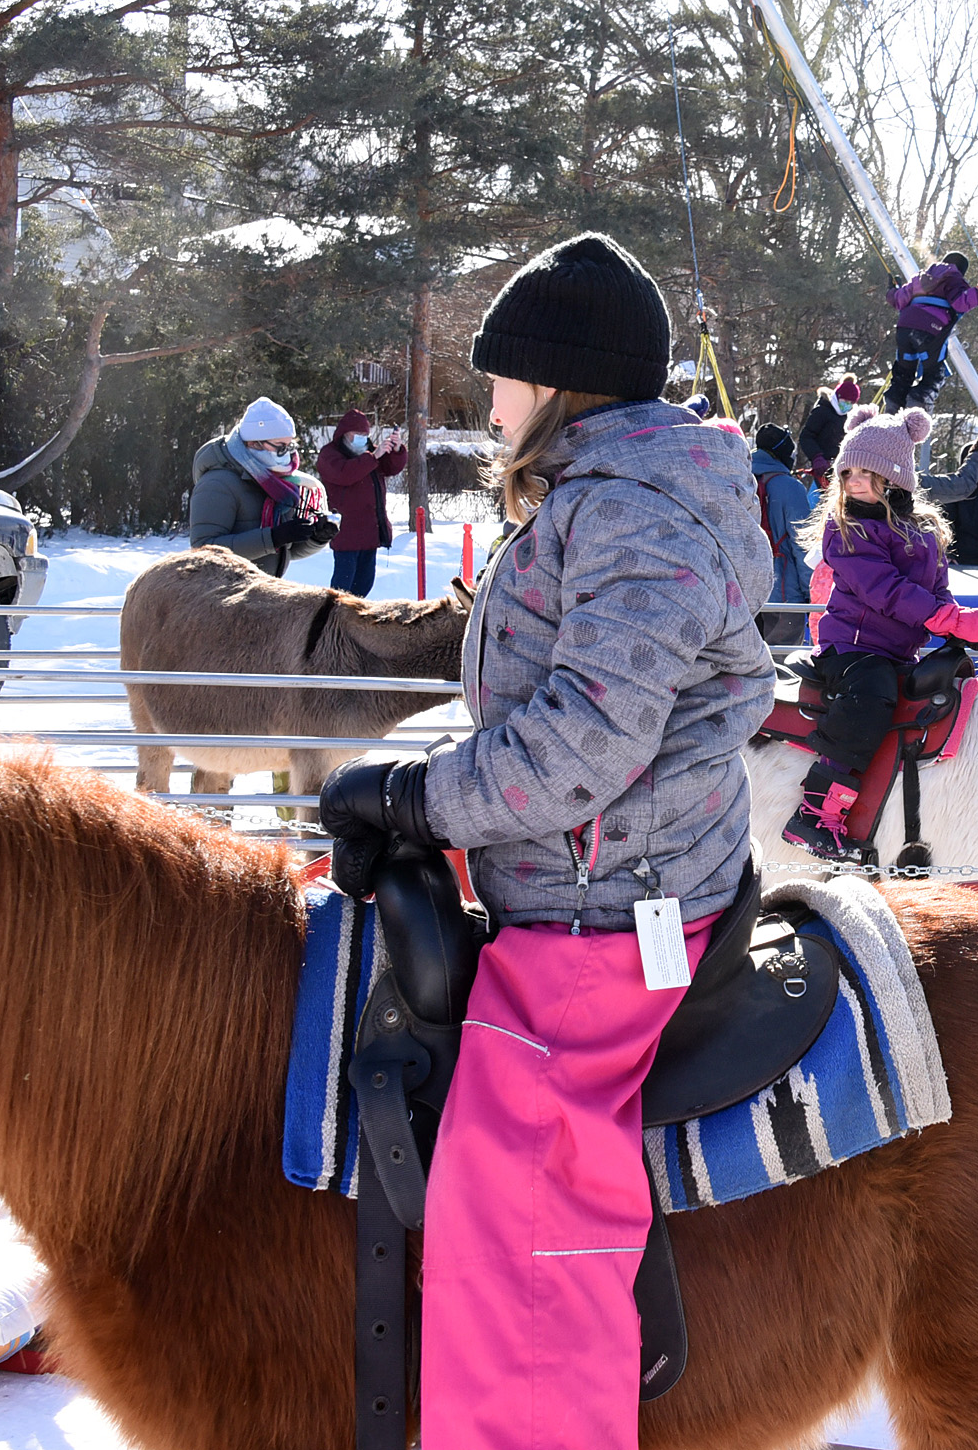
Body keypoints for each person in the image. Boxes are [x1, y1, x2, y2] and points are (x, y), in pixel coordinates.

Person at [312, 232, 774, 1450]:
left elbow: (584, 745)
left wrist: (414, 801)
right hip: (588, 876)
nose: (493, 404)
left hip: (611, 914)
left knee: (513, 1202)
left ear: (560, 383)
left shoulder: (636, 517)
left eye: (504, 379)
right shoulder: (601, 500)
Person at [782, 406, 978, 857]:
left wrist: (960, 629)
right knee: (873, 693)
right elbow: (886, 591)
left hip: (898, 650)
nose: (855, 481)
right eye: (849, 472)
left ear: (896, 478)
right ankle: (816, 811)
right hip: (853, 648)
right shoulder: (846, 530)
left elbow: (936, 590)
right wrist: (953, 621)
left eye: (868, 472)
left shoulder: (922, 532)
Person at [187, 396, 335, 577]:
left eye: (290, 446)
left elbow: (283, 551)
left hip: (262, 593)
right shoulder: (217, 484)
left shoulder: (280, 483)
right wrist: (273, 537)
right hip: (224, 596)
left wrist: (315, 538)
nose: (288, 454)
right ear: (253, 443)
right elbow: (204, 552)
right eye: (280, 446)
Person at [315, 409, 407, 597]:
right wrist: (373, 457)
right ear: (344, 434)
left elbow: (390, 468)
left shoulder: (370, 453)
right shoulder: (330, 455)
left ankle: (353, 623)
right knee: (342, 589)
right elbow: (345, 474)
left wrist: (396, 450)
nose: (362, 438)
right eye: (357, 434)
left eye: (365, 434)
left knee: (364, 584)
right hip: (346, 532)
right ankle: (334, 622)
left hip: (370, 532)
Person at [885, 252, 978, 409]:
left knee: (903, 371)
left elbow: (898, 299)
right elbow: (960, 302)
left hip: (904, 327)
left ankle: (892, 408)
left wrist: (892, 289)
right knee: (934, 372)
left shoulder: (920, 277)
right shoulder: (953, 278)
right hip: (930, 330)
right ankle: (918, 405)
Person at [752, 422, 816, 646]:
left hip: (741, 594)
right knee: (783, 669)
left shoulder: (739, 481)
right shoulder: (790, 488)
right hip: (783, 595)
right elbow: (803, 545)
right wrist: (812, 592)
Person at [798, 373, 862, 487]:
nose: (847, 405)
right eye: (845, 401)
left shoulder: (851, 417)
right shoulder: (822, 411)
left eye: (851, 403)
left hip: (842, 468)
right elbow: (806, 436)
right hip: (821, 467)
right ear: (837, 396)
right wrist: (816, 456)